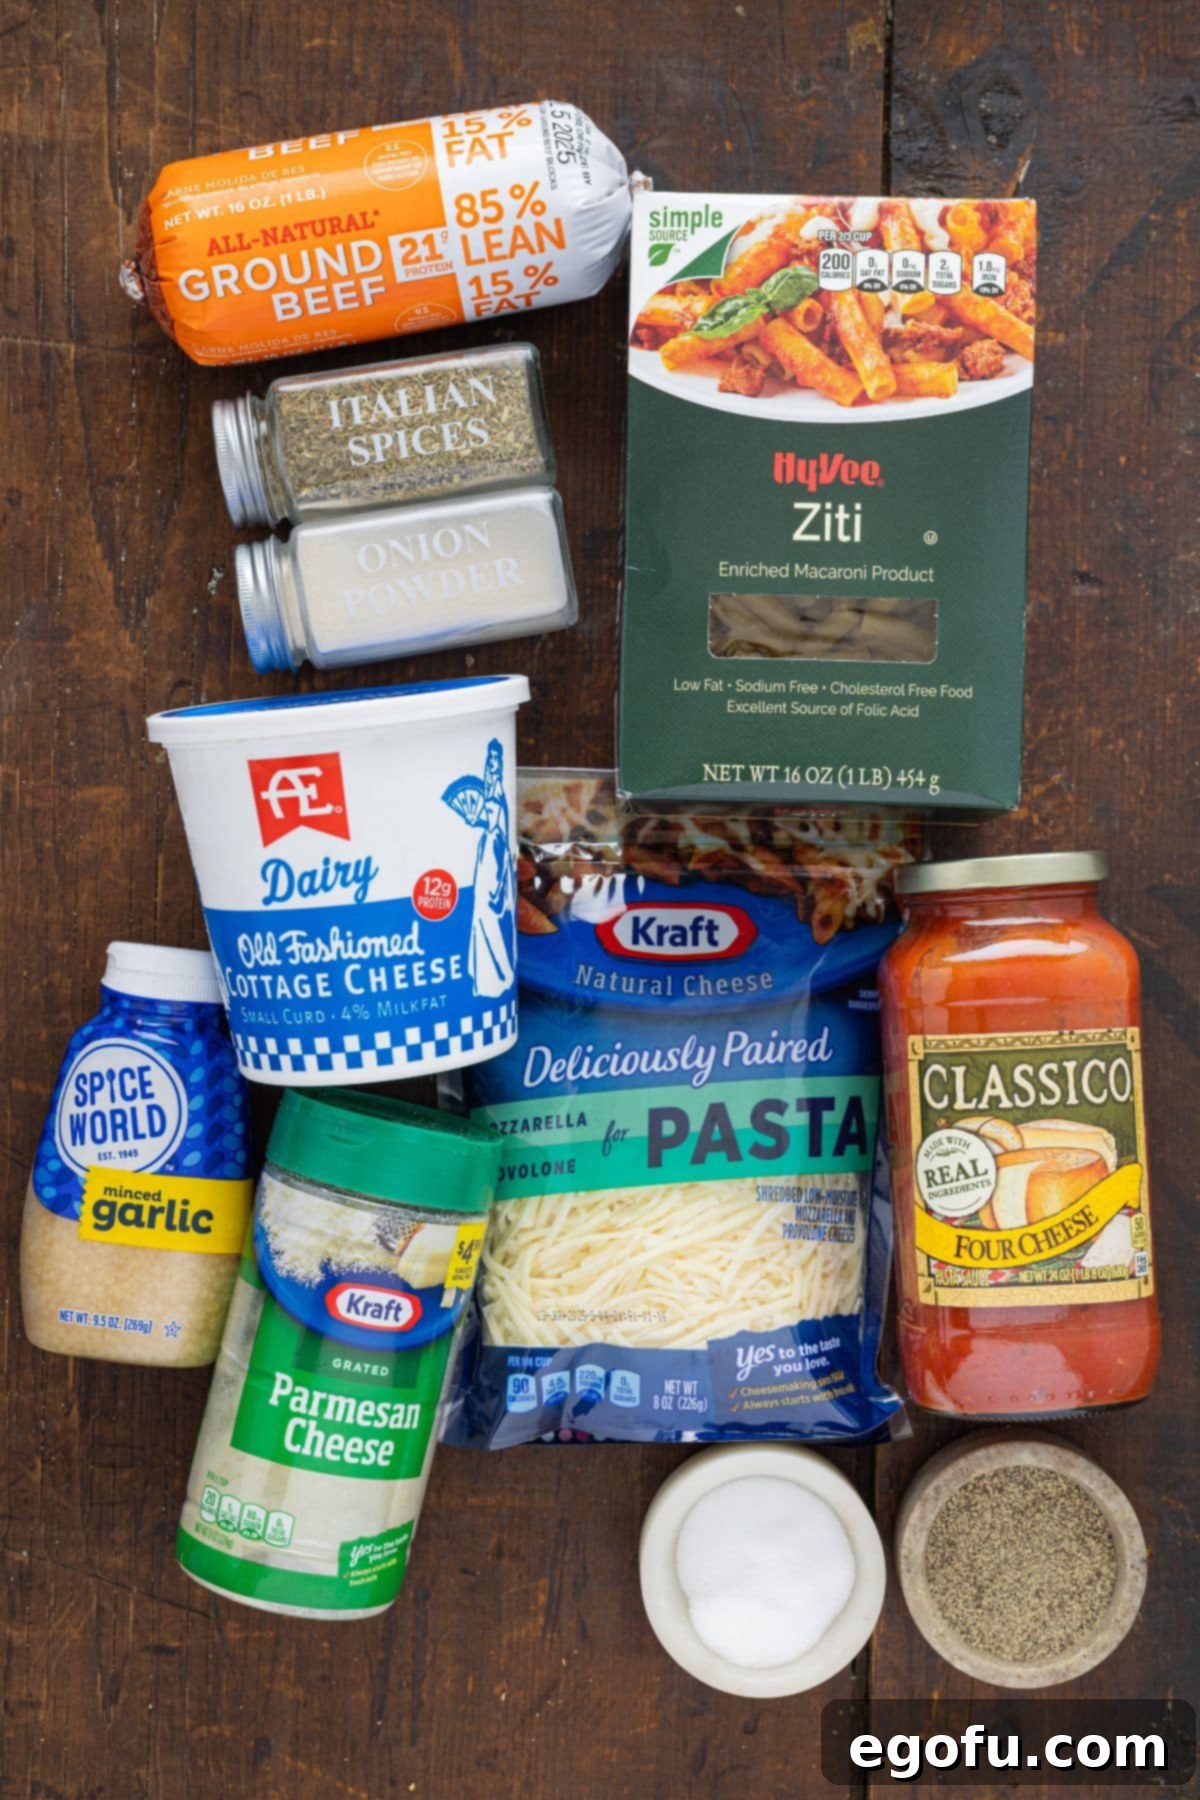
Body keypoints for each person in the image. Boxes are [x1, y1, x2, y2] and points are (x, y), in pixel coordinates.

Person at [467, 739, 516, 998]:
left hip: (494, 861)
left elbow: (500, 827)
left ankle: (502, 977)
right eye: (491, 760)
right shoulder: (490, 788)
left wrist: (499, 887)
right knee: (480, 922)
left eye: (496, 760)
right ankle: (486, 980)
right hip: (485, 861)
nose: (493, 764)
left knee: (490, 922)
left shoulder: (499, 792)